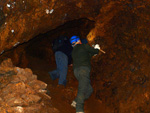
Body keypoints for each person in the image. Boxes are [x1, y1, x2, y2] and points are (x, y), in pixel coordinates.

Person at [70, 36, 100, 113]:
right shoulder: (83, 46)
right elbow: (94, 51)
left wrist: (92, 54)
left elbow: (86, 56)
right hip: (83, 70)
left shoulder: (73, 51)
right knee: (82, 89)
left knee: (89, 89)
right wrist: (96, 49)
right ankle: (79, 110)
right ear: (78, 41)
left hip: (76, 72)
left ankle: (76, 101)